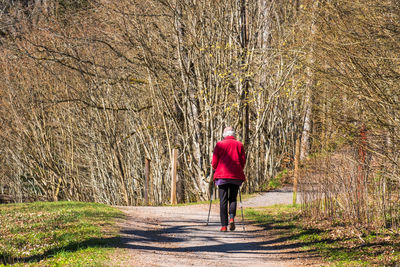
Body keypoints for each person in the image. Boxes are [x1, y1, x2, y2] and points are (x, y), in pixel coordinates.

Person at [211, 126, 246, 232]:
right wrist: (239, 169)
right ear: (233, 134)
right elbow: (243, 161)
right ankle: (231, 217)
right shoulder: (239, 145)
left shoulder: (219, 145)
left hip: (222, 176)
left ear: (224, 134)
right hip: (236, 176)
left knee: (223, 200)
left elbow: (214, 162)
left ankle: (224, 226)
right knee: (233, 198)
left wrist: (214, 168)